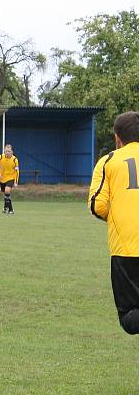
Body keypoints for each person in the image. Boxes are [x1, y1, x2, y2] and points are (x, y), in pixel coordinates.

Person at [89, 111, 139, 335]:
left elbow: (97, 205)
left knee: (129, 316)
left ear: (117, 138)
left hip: (126, 249)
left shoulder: (108, 161)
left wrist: (118, 215)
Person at [0, 145, 19, 214]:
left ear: (12, 152)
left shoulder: (15, 160)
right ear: (4, 151)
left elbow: (17, 171)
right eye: (6, 151)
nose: (7, 152)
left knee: (7, 191)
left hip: (11, 178)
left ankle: (11, 210)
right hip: (2, 179)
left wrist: (16, 182)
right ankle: (6, 207)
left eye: (9, 151)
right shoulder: (1, 157)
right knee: (6, 194)